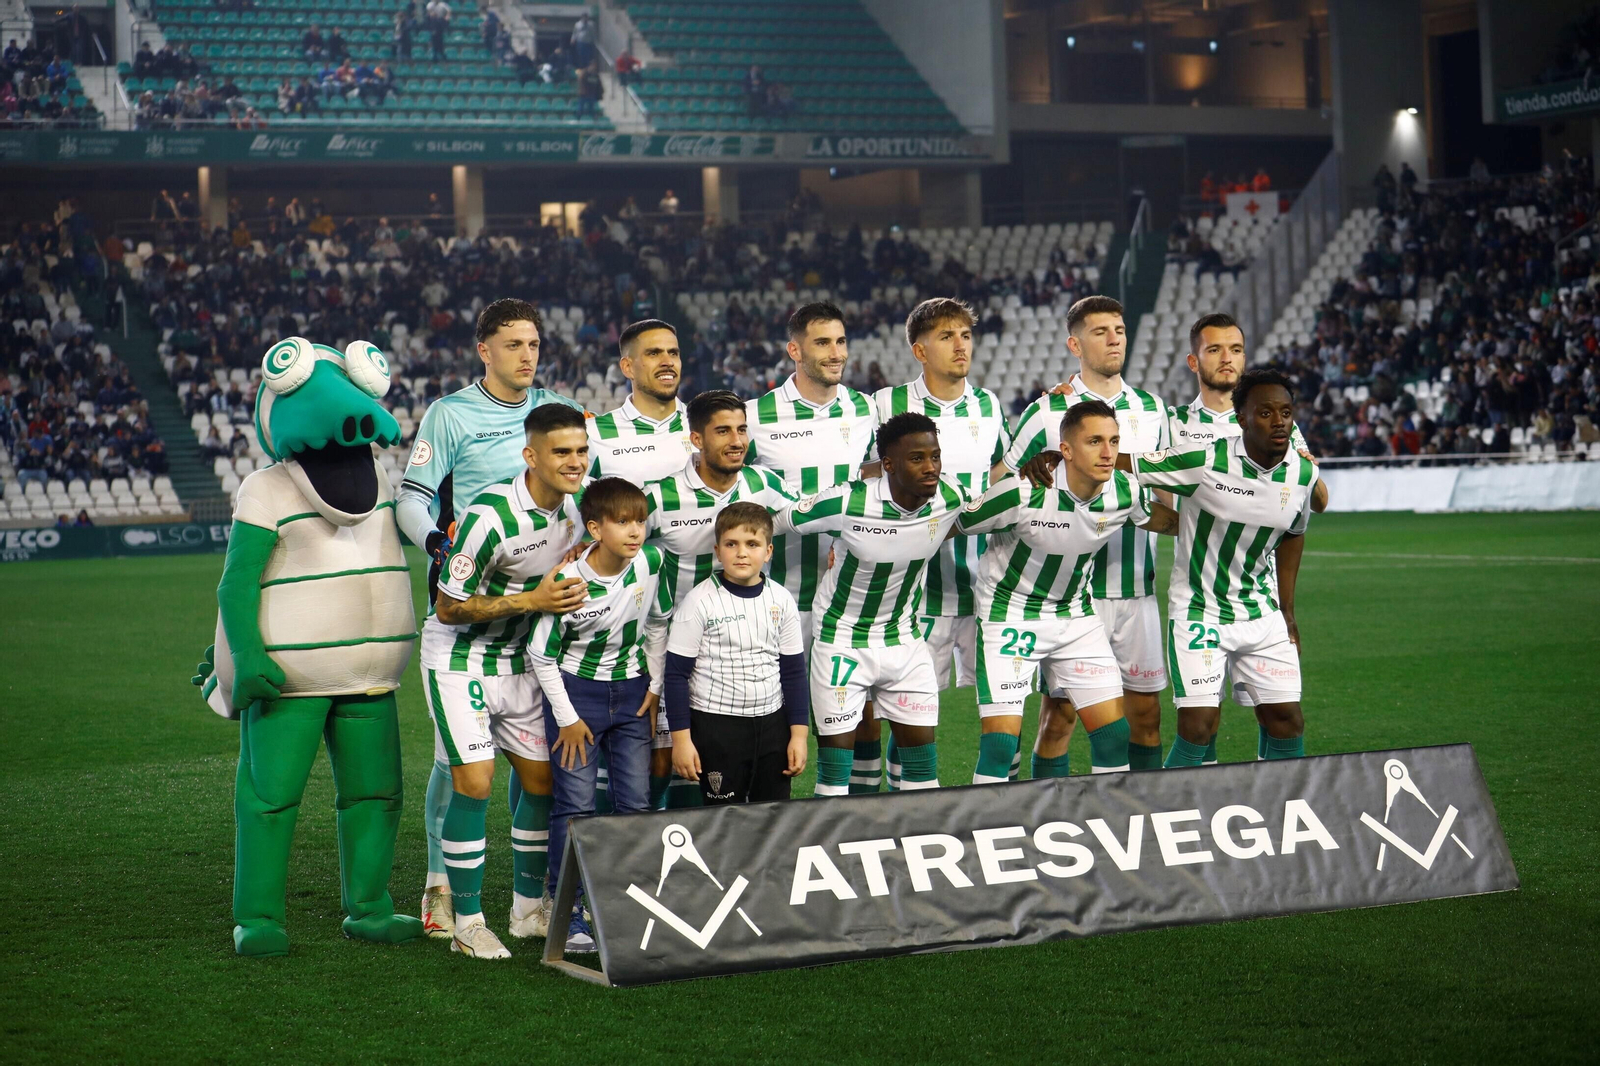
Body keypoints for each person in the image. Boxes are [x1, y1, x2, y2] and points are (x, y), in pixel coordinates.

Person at [394, 298, 584, 941]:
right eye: (513, 344)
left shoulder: (556, 411)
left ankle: (524, 902)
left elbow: (588, 495)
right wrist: (435, 545)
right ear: (484, 350)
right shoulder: (450, 414)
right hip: (472, 587)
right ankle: (439, 887)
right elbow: (414, 497)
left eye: (534, 343)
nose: (527, 355)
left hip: (534, 624)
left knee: (532, 768)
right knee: (459, 766)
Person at [423, 403, 590, 959]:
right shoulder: (488, 516)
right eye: (561, 452)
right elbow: (448, 607)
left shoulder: (577, 514)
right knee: (475, 782)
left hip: (520, 662)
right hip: (460, 661)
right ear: (531, 456)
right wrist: (532, 600)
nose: (574, 462)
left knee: (544, 782)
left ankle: (526, 914)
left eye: (581, 450)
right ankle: (468, 924)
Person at [959, 400, 1178, 782]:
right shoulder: (1022, 492)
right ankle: (987, 831)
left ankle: (1106, 822)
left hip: (1074, 616)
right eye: (1094, 441)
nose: (1108, 452)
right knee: (999, 746)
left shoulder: (1123, 491)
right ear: (1066, 450)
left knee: (1113, 735)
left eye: (1113, 441)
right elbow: (955, 523)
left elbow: (1164, 521)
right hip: (1009, 616)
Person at [1003, 295, 1170, 773]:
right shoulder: (1047, 411)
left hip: (1136, 588)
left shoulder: (1152, 409)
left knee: (1146, 715)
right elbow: (1004, 482)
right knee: (1060, 716)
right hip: (1070, 599)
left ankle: (1139, 815)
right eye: (1101, 331)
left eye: (1119, 329)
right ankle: (1047, 816)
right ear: (1075, 343)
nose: (1114, 338)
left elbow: (1165, 499)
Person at [774, 412, 966, 794]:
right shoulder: (847, 501)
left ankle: (919, 844)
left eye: (935, 456)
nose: (931, 468)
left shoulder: (950, 497)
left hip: (904, 642)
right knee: (834, 776)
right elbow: (775, 521)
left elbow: (978, 519)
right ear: (888, 465)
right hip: (841, 640)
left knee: (923, 770)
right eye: (917, 458)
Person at [1133, 367, 1315, 767]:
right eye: (1265, 413)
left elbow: (1294, 534)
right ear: (1241, 418)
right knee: (1199, 725)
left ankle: (1280, 811)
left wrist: (1288, 612)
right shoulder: (1205, 459)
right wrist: (1060, 459)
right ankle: (1168, 814)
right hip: (1200, 610)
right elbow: (1126, 464)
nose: (1279, 421)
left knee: (1286, 720)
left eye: (1285, 412)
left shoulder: (1303, 472)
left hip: (1261, 614)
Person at [869, 298, 1011, 786]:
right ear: (919, 350)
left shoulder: (988, 405)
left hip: (987, 584)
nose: (960, 345)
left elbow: (1002, 467)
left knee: (1002, 710)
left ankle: (998, 809)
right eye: (947, 336)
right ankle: (903, 809)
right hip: (915, 592)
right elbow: (867, 474)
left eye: (966, 335)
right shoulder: (886, 405)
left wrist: (977, 502)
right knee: (908, 718)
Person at [528, 478, 673, 951]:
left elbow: (656, 623)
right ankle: (567, 909)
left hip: (632, 696)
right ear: (594, 527)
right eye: (623, 522)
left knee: (635, 804)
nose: (636, 531)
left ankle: (628, 903)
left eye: (640, 520)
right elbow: (541, 654)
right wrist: (567, 717)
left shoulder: (652, 561)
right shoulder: (568, 581)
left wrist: (653, 686)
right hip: (576, 697)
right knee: (575, 807)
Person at [745, 302, 880, 786]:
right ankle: (769, 824)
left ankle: (860, 822)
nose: (836, 352)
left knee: (857, 716)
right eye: (823, 342)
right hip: (777, 594)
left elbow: (877, 481)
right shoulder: (755, 416)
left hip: (847, 594)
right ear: (794, 350)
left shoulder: (866, 409)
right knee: (769, 718)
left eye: (841, 341)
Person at [643, 390, 799, 803]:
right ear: (697, 439)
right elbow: (618, 536)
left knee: (718, 765)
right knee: (659, 762)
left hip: (733, 647)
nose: (737, 440)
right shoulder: (662, 496)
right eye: (723, 431)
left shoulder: (762, 483)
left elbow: (802, 514)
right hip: (672, 645)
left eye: (742, 429)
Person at [585, 320, 694, 807]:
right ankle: (604, 860)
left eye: (672, 351)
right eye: (653, 353)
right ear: (628, 366)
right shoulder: (598, 434)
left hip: (701, 610)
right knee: (626, 751)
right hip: (625, 619)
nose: (667, 361)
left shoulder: (703, 426)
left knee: (682, 755)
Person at [665, 502, 808, 804]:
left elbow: (794, 671)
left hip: (773, 725)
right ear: (718, 551)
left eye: (752, 544)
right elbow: (676, 675)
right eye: (732, 544)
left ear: (768, 551)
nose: (741, 552)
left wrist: (798, 735)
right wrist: (681, 740)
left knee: (773, 815)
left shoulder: (781, 599)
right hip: (717, 726)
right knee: (723, 818)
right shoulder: (699, 602)